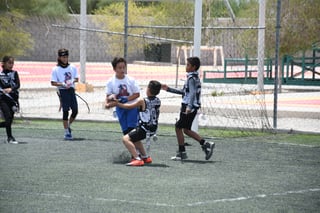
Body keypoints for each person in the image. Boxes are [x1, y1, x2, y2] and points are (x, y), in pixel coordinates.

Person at [161, 56, 215, 161]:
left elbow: (193, 93)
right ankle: (205, 144)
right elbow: (185, 92)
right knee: (186, 130)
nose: (186, 66)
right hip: (190, 106)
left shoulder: (191, 78)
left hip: (188, 107)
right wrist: (168, 89)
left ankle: (182, 152)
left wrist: (189, 107)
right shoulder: (194, 77)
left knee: (178, 127)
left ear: (194, 67)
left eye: (188, 65)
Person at [106, 80, 161, 166]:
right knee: (135, 138)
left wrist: (117, 103)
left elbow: (128, 107)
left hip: (144, 129)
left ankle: (137, 158)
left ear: (148, 89)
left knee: (125, 139)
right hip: (153, 129)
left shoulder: (142, 101)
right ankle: (145, 157)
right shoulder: (158, 101)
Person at [105, 57, 140, 135]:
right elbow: (108, 97)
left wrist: (127, 99)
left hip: (132, 107)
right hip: (120, 109)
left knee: (132, 131)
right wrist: (110, 99)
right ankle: (134, 147)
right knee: (126, 132)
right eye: (119, 68)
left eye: (124, 67)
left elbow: (137, 94)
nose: (122, 70)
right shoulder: (110, 82)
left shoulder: (131, 80)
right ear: (114, 69)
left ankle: (137, 147)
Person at [51, 48, 79, 140]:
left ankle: (68, 126)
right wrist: (62, 84)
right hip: (63, 91)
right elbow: (53, 82)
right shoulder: (56, 69)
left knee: (75, 110)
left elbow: (76, 79)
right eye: (63, 57)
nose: (65, 59)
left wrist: (71, 81)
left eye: (66, 57)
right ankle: (66, 132)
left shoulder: (72, 67)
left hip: (71, 90)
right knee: (65, 111)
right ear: (59, 57)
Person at [0, 56, 20, 144]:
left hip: (13, 100)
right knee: (7, 117)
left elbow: (18, 85)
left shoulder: (15, 73)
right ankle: (10, 138)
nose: (11, 65)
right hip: (3, 99)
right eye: (9, 63)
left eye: (12, 63)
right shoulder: (0, 75)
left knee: (9, 121)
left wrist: (11, 89)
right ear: (3, 64)